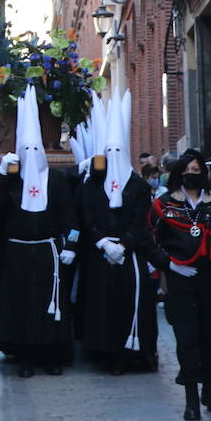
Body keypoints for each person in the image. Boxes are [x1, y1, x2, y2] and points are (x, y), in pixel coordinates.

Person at [0, 87, 75, 377]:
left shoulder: (58, 180)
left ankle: (51, 355)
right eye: (27, 151)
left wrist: (70, 246)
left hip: (49, 253)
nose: (31, 155)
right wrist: (1, 175)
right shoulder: (11, 183)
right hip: (18, 254)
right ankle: (24, 355)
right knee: (22, 305)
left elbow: (70, 217)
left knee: (51, 304)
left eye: (36, 149)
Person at [148, 150, 211, 420]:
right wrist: (167, 264)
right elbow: (147, 240)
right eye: (187, 170)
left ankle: (209, 389)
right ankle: (190, 396)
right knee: (187, 338)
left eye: (197, 170)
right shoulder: (164, 204)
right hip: (181, 281)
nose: (192, 174)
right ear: (179, 173)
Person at [77, 91, 158, 372]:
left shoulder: (139, 187)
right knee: (103, 306)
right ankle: (108, 353)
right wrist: (102, 243)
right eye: (108, 151)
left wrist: (123, 246)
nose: (112, 157)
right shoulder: (92, 185)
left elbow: (140, 221)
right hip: (102, 255)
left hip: (130, 255)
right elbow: (87, 217)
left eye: (117, 151)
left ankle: (135, 353)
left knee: (131, 303)